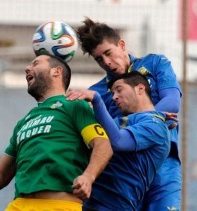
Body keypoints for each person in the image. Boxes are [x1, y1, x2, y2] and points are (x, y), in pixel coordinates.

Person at [0, 53, 113, 211]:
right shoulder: (24, 122)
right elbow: (0, 174)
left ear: (57, 71)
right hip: (19, 205)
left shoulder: (74, 105)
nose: (27, 68)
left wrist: (88, 177)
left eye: (35, 63)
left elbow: (103, 145)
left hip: (59, 205)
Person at [76, 17, 182, 210]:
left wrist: (150, 121)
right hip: (124, 172)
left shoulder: (155, 63)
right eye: (99, 59)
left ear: (122, 44)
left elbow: (172, 103)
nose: (107, 62)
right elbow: (103, 136)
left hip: (163, 165)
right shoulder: (97, 92)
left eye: (108, 53)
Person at [67, 71, 171, 210]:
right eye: (112, 93)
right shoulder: (121, 122)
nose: (114, 97)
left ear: (140, 88)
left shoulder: (156, 125)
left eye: (119, 90)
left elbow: (119, 142)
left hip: (115, 204)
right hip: (88, 200)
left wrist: (97, 100)